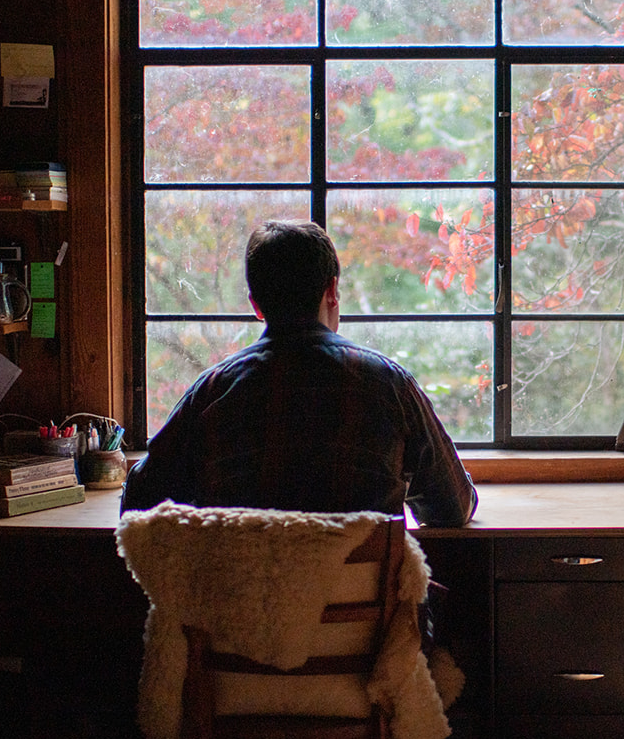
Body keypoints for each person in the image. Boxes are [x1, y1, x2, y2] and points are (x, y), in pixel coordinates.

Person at [120, 219, 477, 529]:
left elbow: (136, 505)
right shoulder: (388, 384)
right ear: (332, 292)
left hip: (244, 606)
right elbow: (453, 507)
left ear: (255, 305)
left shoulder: (214, 391)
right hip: (359, 605)